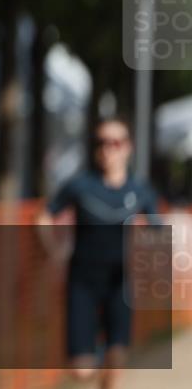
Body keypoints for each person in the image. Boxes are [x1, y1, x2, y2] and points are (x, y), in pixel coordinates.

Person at [36, 116, 159, 389]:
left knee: (115, 364)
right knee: (81, 371)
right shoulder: (80, 186)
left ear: (128, 147)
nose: (107, 149)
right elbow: (44, 216)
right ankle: (94, 359)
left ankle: (107, 362)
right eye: (101, 142)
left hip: (121, 283)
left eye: (115, 142)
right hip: (83, 281)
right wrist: (56, 250)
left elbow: (157, 229)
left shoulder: (140, 191)